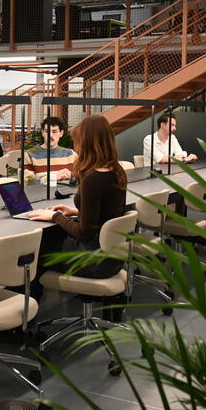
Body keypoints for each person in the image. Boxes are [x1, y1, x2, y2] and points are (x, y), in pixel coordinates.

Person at [25, 115, 128, 301]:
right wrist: (76, 212)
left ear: (87, 143)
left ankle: (23, 317)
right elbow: (107, 214)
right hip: (114, 257)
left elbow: (84, 233)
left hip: (93, 260)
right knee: (53, 238)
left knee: (33, 252)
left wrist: (55, 216)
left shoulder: (93, 179)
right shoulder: (117, 171)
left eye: (77, 142)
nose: (75, 147)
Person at [23, 116, 77, 182]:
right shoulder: (29, 155)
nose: (51, 135)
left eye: (54, 131)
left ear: (61, 133)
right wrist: (53, 178)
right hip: (40, 192)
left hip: (66, 192)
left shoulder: (71, 154)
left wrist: (72, 175)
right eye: (47, 131)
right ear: (42, 133)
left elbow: (83, 176)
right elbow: (26, 182)